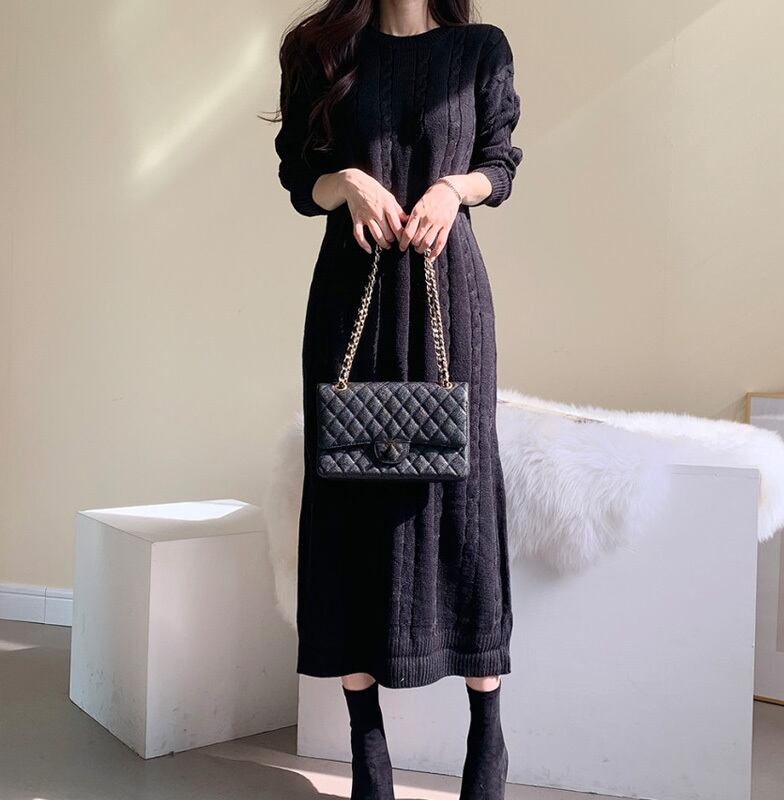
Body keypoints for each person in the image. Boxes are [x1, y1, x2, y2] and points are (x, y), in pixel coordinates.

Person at [270, 1, 522, 797]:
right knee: (348, 502)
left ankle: (488, 734)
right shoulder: (322, 49)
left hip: (451, 293)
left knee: (464, 503)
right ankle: (366, 745)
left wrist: (453, 188)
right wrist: (347, 182)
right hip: (353, 299)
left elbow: (501, 162)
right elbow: (297, 175)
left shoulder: (480, 50)